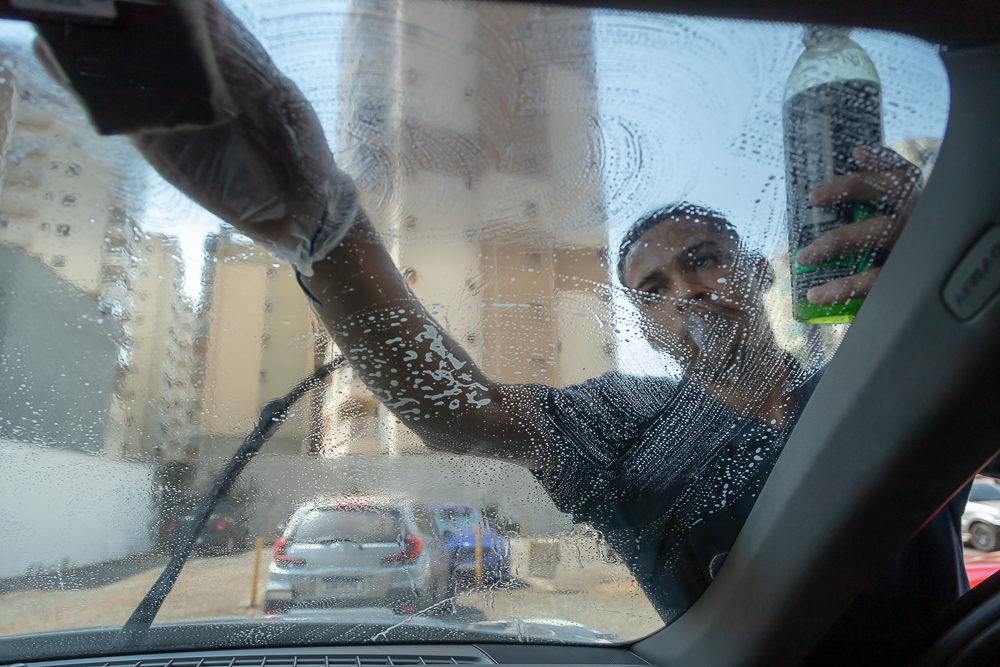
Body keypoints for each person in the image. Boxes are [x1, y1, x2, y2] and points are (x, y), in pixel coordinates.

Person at [34, 0, 973, 653]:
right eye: (650, 285)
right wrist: (322, 226)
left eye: (705, 258)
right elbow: (457, 409)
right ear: (643, 327)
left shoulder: (874, 374)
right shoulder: (624, 422)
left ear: (759, 270)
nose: (684, 287)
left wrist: (956, 267)